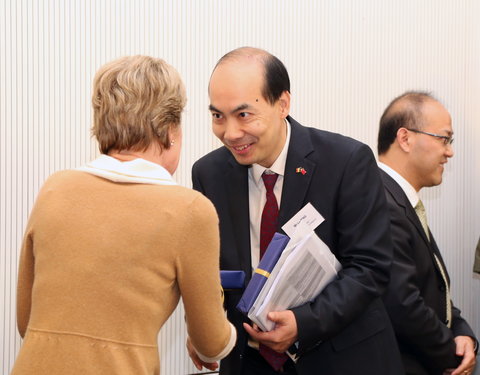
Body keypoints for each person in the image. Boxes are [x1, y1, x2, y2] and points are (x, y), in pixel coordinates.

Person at [11, 55, 235, 375]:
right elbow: (211, 342)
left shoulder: (55, 189)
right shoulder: (189, 211)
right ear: (170, 129)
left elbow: (26, 320)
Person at [190, 47, 403, 375]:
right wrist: (204, 326)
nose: (230, 133)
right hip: (250, 362)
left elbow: (370, 267)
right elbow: (210, 271)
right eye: (218, 116)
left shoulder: (346, 162)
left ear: (283, 104)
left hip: (341, 358)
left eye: (244, 114)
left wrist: (303, 323)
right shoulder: (209, 174)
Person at [377, 91, 478, 375]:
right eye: (443, 139)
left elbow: (433, 288)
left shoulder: (399, 199)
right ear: (405, 138)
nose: (450, 151)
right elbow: (401, 303)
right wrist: (452, 355)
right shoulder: (380, 201)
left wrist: (462, 334)